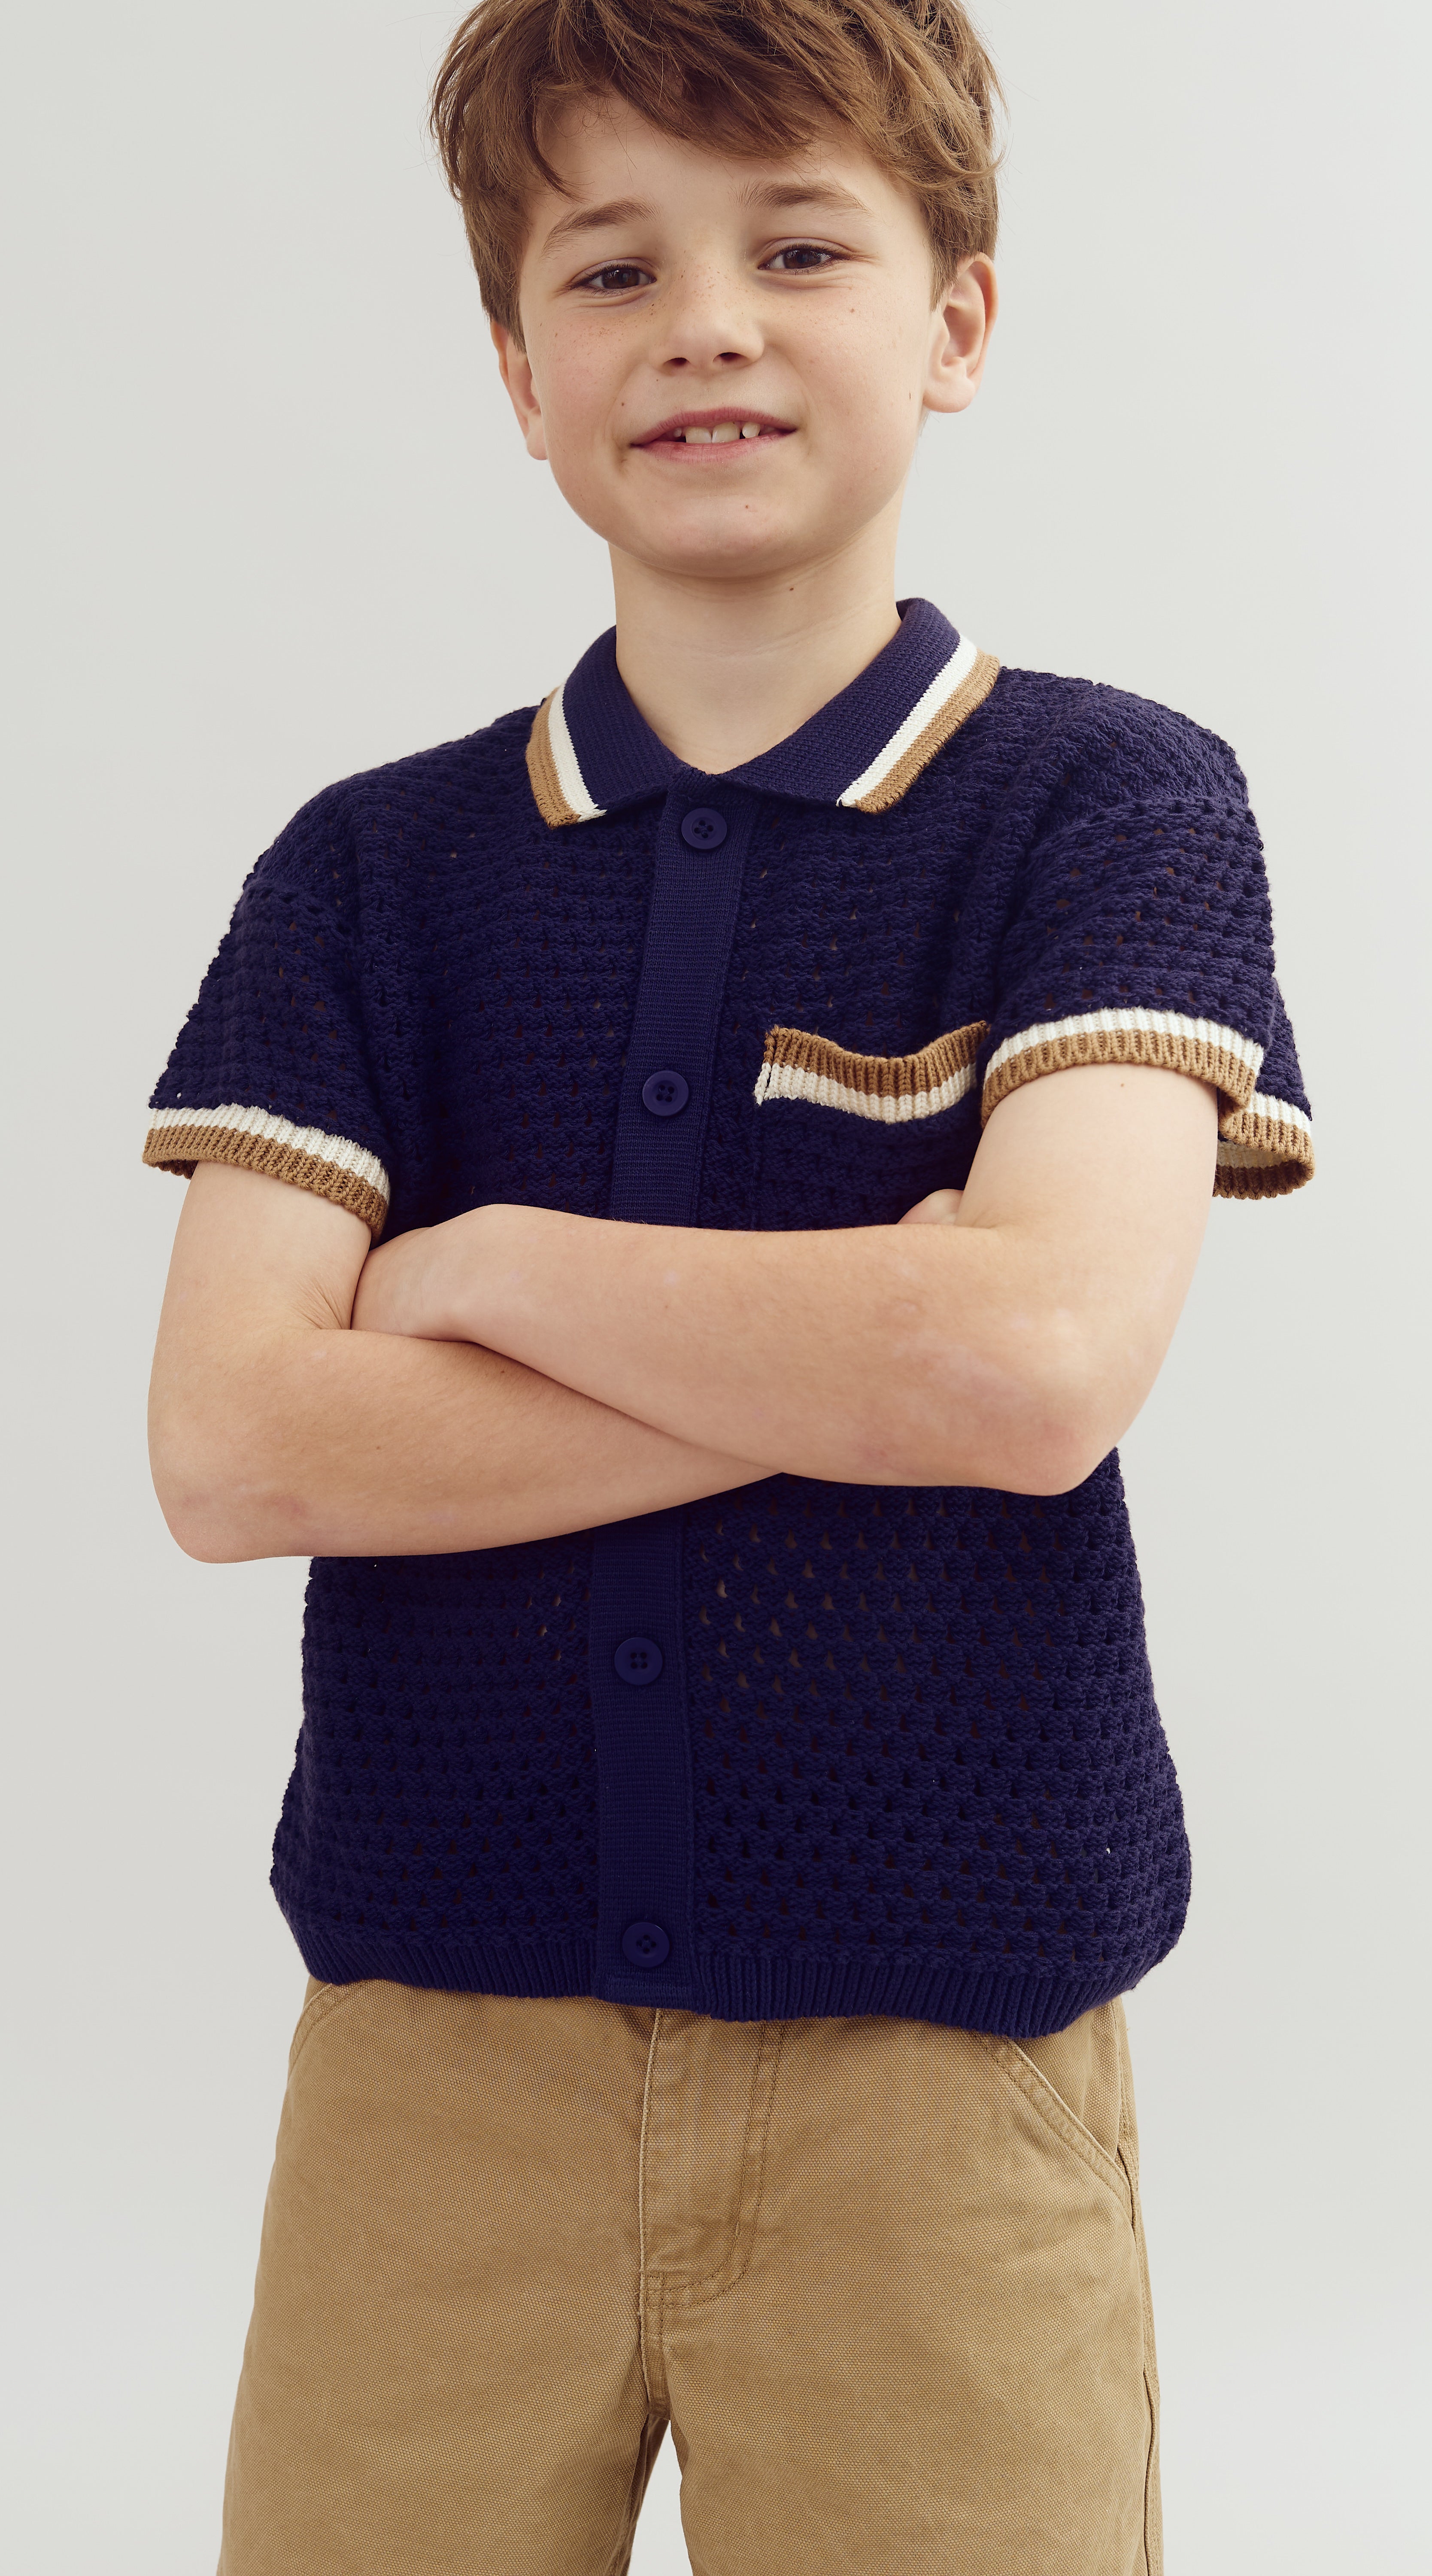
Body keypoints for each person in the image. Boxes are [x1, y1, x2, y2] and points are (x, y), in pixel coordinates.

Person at [142, 4, 1312, 2568]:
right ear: (516, 369)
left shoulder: (1111, 808)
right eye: (611, 265)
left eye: (801, 244)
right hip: (436, 2065)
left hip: (941, 2069)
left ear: (960, 318)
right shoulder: (374, 876)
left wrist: (498, 1269)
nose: (707, 321)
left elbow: (1028, 1370)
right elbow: (239, 1444)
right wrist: (865, 1329)